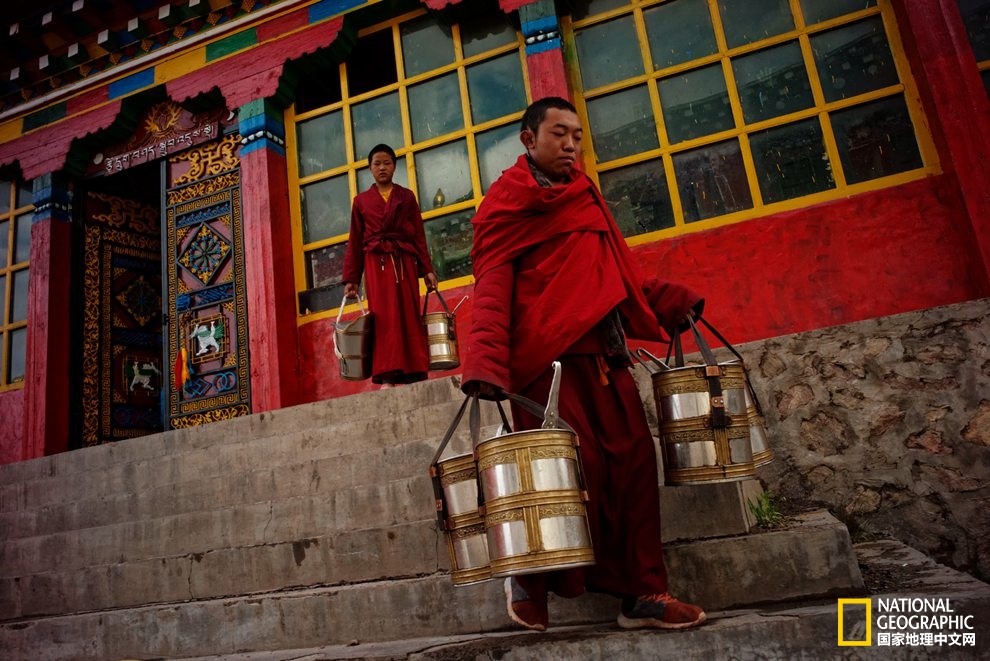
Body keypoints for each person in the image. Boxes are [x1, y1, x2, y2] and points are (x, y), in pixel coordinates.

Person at [461, 97, 707, 631]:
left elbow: (614, 269)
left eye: (577, 135)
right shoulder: (504, 203)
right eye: (559, 134)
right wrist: (484, 361)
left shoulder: (585, 195)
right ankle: (532, 580)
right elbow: (492, 287)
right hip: (545, 368)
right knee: (573, 473)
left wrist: (667, 300)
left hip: (605, 354)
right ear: (529, 139)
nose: (571, 144)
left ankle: (644, 593)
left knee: (635, 466)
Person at [343, 144, 439, 388]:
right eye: (377, 163)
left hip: (403, 261)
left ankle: (412, 372)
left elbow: (418, 235)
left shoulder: (406, 197)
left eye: (387, 163)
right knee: (383, 317)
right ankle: (387, 375)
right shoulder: (361, 202)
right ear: (370, 168)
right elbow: (355, 241)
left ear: (395, 166)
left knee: (408, 314)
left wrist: (426, 270)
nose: (382, 168)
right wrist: (352, 279)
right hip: (376, 263)